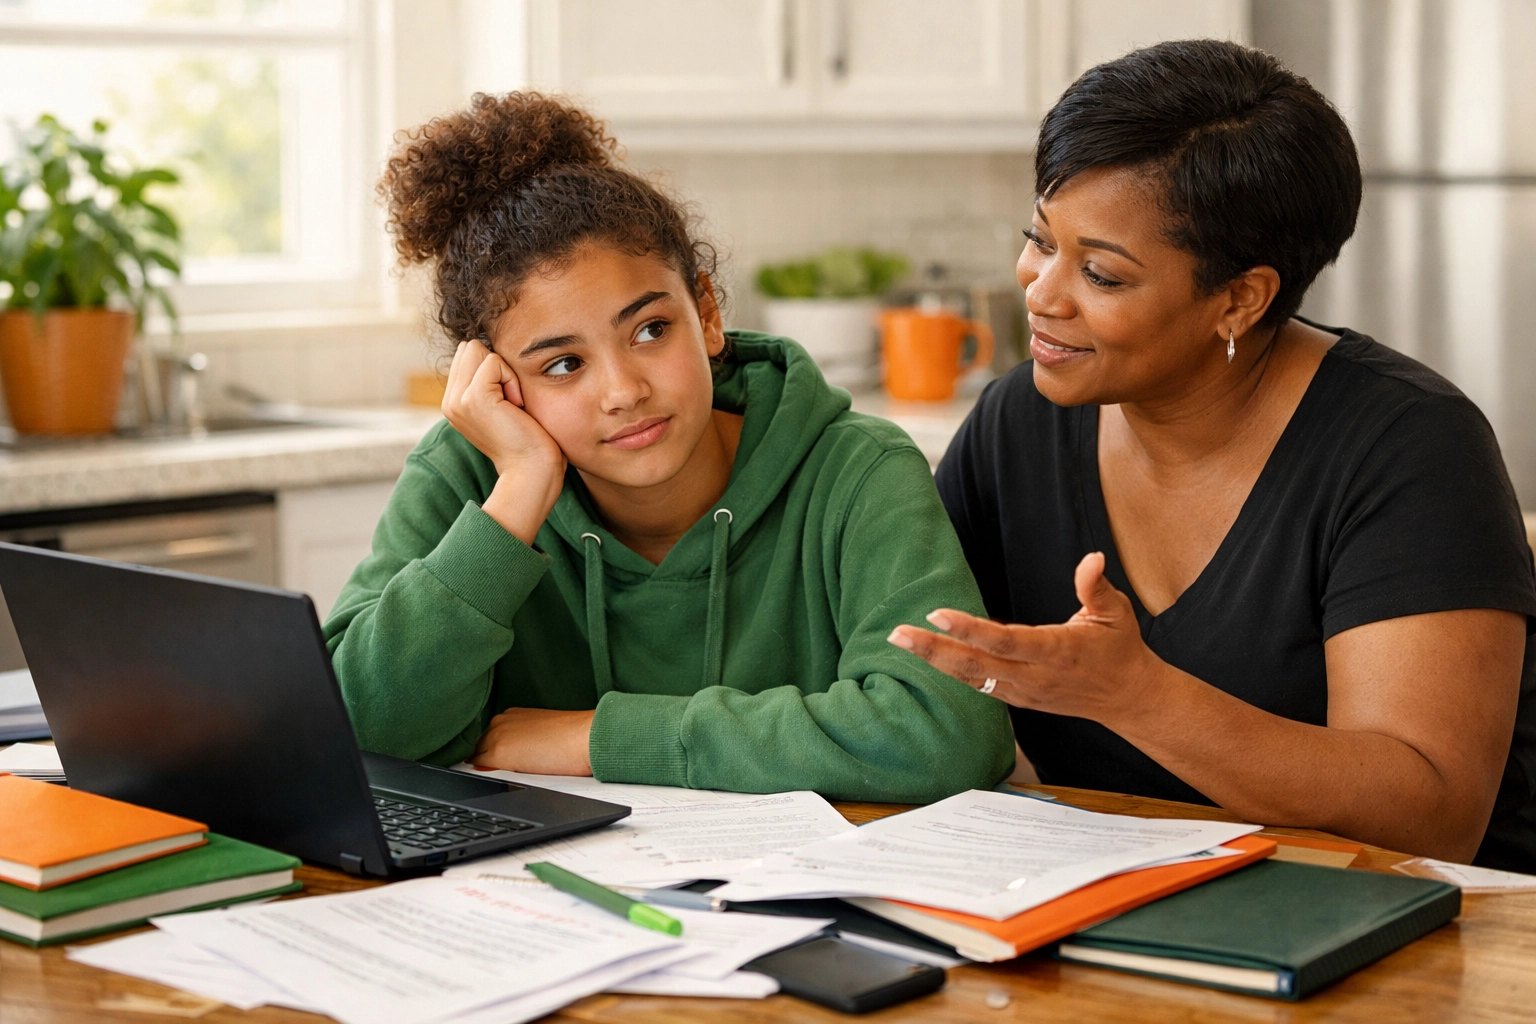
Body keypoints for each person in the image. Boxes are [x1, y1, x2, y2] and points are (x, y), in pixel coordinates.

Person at [889, 39, 1536, 868]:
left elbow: (1431, 818)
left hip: (1420, 927)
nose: (1041, 292)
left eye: (1103, 275)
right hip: (1112, 897)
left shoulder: (1410, 448)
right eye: (1040, 239)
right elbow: (918, 681)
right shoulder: (1017, 420)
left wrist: (1138, 697)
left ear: (1238, 299)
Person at [324, 92, 1013, 802]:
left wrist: (596, 738)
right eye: (563, 365)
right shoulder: (470, 476)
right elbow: (352, 731)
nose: (623, 390)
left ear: (707, 316)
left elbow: (950, 733)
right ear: (499, 384)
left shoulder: (856, 470)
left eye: (650, 330)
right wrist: (520, 490)